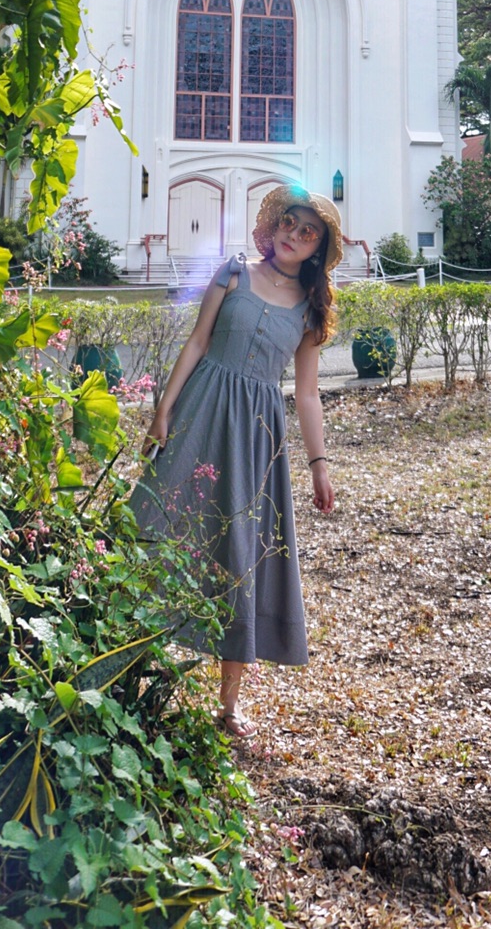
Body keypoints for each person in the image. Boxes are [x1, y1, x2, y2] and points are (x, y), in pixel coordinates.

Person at [131, 186, 339, 739]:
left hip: (257, 436)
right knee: (157, 519)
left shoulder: (311, 309)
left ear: (318, 248)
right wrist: (163, 412)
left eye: (306, 232)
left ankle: (228, 705)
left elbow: (309, 393)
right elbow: (197, 343)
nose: (292, 236)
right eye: (288, 224)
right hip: (202, 411)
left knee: (240, 552)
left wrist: (319, 462)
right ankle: (121, 656)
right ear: (272, 227)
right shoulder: (233, 272)